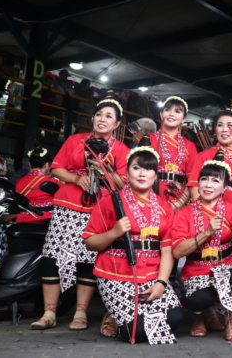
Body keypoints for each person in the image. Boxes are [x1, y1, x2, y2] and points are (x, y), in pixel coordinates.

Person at [32, 91, 130, 332]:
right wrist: (77, 180)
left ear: (117, 124)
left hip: (99, 210)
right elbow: (56, 168)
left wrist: (104, 169)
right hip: (67, 207)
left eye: (109, 116)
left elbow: (124, 182)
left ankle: (80, 313)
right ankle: (49, 312)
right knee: (53, 256)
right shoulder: (75, 140)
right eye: (98, 114)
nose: (102, 119)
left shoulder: (121, 150)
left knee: (88, 260)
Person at [82, 138, 183, 344]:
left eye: (148, 169)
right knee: (137, 333)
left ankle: (129, 317)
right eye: (136, 168)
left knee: (176, 318)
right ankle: (120, 320)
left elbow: (166, 251)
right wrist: (114, 232)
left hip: (152, 275)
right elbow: (90, 242)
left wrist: (161, 284)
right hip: (117, 274)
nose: (142, 174)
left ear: (156, 175)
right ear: (127, 172)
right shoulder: (109, 201)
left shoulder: (165, 206)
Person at [172, 149, 232, 341]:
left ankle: (231, 322)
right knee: (198, 300)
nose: (208, 185)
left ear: (224, 188)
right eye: (204, 180)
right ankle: (200, 317)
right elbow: (177, 251)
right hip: (197, 268)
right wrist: (207, 233)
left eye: (215, 181)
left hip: (227, 263)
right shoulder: (184, 212)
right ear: (198, 183)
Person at [149, 96, 198, 210]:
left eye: (177, 111)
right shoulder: (149, 139)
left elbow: (193, 181)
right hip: (151, 195)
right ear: (161, 114)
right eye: (167, 110)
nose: (171, 114)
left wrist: (179, 204)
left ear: (183, 118)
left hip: (179, 197)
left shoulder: (189, 146)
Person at [9, 142, 56, 225]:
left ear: (30, 164)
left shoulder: (19, 182)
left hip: (22, 221)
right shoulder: (54, 182)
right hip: (45, 222)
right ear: (47, 165)